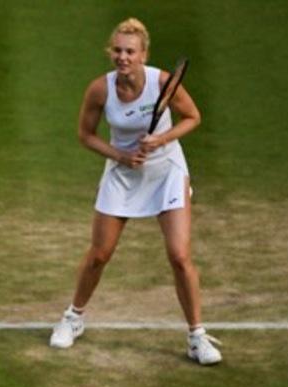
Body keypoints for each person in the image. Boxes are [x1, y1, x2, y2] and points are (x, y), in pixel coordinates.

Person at [49, 17, 222, 365]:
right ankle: (73, 317)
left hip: (167, 173)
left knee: (179, 255)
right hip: (123, 173)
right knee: (100, 253)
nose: (122, 57)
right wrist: (121, 156)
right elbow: (86, 135)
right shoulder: (100, 89)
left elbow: (192, 117)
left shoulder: (163, 82)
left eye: (130, 51)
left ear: (143, 54)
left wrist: (160, 139)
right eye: (117, 50)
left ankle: (196, 336)